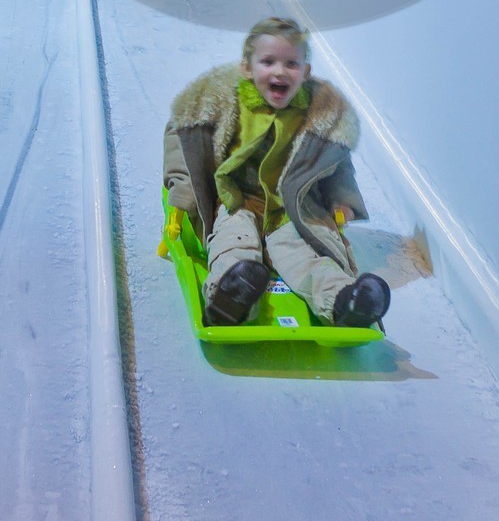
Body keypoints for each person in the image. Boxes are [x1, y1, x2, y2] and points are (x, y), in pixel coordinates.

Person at [163, 16, 391, 329]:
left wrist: (341, 198)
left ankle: (345, 302)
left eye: (291, 64)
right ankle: (229, 298)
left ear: (306, 72)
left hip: (291, 208)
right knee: (233, 242)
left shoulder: (318, 116)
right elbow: (186, 146)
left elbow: (336, 164)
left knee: (305, 254)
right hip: (237, 200)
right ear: (247, 67)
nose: (280, 71)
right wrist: (184, 191)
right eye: (268, 62)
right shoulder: (224, 105)